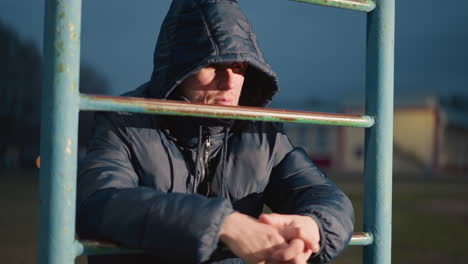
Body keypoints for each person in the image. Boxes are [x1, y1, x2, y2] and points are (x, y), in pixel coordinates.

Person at [76, 0, 354, 263]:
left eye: (238, 66)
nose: (229, 82)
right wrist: (222, 224)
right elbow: (100, 202)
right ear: (179, 68)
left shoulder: (260, 130)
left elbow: (322, 195)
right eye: (212, 65)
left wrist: (312, 227)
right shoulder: (124, 121)